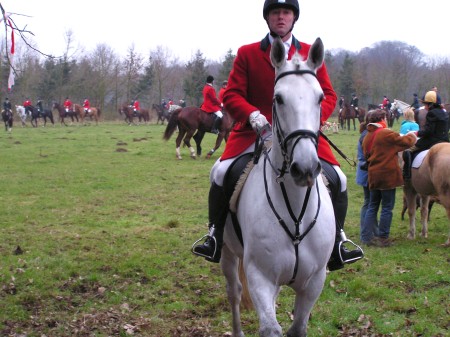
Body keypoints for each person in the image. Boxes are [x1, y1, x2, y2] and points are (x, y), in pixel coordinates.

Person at [192, 0, 364, 271]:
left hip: (299, 134)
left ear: (294, 18)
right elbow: (233, 94)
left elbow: (328, 94)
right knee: (221, 173)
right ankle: (214, 236)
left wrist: (310, 118)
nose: (280, 17)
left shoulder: (309, 53)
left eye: (286, 12)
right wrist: (252, 115)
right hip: (254, 133)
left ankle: (338, 243)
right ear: (267, 18)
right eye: (275, 12)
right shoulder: (247, 53)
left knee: (339, 179)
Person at [361, 109, 417, 247]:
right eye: (385, 117)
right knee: (387, 207)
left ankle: (366, 237)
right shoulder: (386, 133)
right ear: (382, 118)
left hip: (373, 175)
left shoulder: (368, 135)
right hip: (387, 175)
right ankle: (383, 238)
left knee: (373, 206)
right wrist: (413, 134)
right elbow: (406, 142)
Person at [403, 90, 449, 179]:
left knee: (408, 151)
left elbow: (428, 131)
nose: (425, 106)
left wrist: (416, 133)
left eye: (425, 104)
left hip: (432, 140)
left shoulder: (431, 113)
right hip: (445, 140)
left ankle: (407, 175)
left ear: (430, 104)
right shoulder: (444, 113)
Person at [356, 112, 372, 244]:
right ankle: (366, 233)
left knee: (369, 202)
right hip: (366, 172)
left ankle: (369, 230)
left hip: (364, 172)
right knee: (369, 203)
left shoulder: (364, 133)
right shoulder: (367, 135)